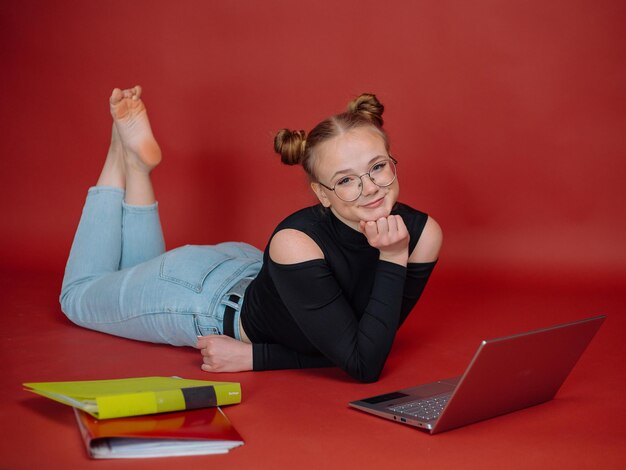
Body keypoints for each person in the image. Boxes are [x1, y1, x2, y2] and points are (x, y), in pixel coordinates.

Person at [60, 86, 442, 383]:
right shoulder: (295, 241)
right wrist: (393, 257)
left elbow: (369, 342)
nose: (371, 188)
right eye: (345, 180)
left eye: (377, 167)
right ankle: (118, 154)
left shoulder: (424, 234)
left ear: (393, 162)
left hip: (256, 272)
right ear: (322, 194)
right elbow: (363, 362)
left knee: (132, 276)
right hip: (199, 296)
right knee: (79, 296)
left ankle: (138, 167)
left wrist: (257, 357)